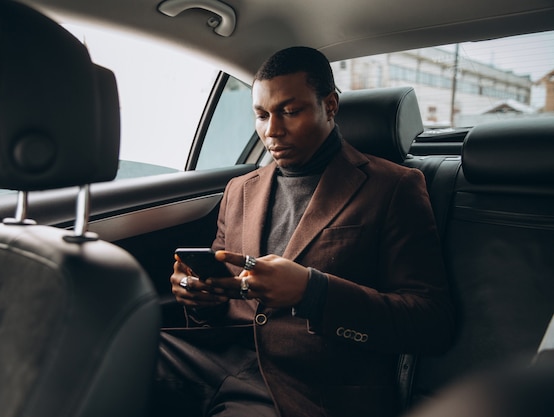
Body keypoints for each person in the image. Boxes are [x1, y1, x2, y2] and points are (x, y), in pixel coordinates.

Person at [153, 46, 454, 417]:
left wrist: (314, 292)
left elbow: (431, 321)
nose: (271, 131)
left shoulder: (395, 187)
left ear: (330, 106)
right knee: (112, 352)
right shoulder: (239, 190)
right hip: (218, 358)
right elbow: (228, 297)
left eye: (290, 112)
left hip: (313, 386)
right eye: (261, 115)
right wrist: (200, 296)